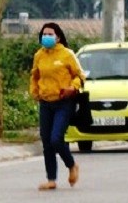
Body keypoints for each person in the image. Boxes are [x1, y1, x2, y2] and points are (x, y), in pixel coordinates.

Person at [29, 22, 86, 190]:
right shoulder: (39, 55)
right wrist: (34, 91)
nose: (46, 37)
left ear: (58, 36)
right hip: (45, 102)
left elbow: (80, 76)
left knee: (56, 139)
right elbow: (34, 76)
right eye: (44, 34)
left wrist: (73, 87)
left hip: (64, 102)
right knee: (46, 141)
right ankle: (51, 179)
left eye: (50, 34)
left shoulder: (67, 54)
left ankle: (71, 165)